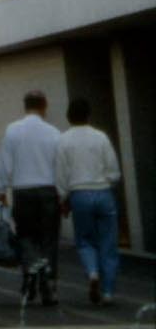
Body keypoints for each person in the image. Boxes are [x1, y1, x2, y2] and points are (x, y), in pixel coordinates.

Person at [0, 89, 62, 305]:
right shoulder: (54, 132)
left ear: (25, 107)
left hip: (22, 191)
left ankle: (30, 276)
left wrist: (1, 190)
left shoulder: (12, 130)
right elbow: (60, 166)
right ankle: (49, 283)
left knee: (26, 237)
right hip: (48, 190)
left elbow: (4, 162)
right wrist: (63, 193)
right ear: (44, 106)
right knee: (49, 239)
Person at [56, 96, 121, 307]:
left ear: (69, 116)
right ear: (88, 115)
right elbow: (113, 171)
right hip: (103, 193)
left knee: (85, 242)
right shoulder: (101, 137)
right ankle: (109, 291)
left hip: (79, 194)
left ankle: (93, 273)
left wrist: (63, 199)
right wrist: (107, 182)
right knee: (108, 244)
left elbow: (61, 175)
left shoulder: (64, 140)